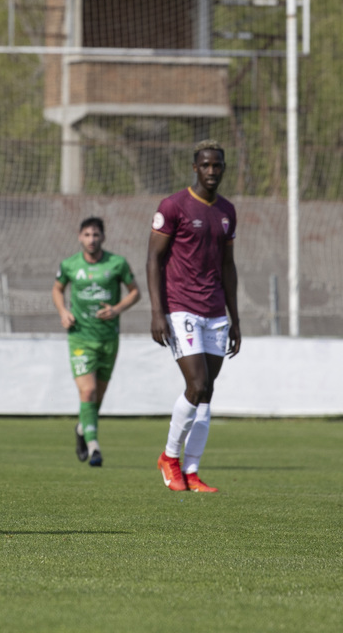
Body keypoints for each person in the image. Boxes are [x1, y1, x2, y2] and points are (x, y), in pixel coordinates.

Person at [147, 139, 240, 493]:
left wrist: (236, 319)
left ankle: (192, 470)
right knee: (196, 384)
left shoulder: (227, 211)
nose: (212, 171)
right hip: (181, 307)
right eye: (206, 165)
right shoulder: (173, 206)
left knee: (207, 392)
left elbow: (229, 267)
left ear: (223, 168)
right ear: (195, 167)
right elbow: (153, 260)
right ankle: (169, 457)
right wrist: (158, 312)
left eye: (218, 165)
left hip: (216, 312)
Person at [52, 216, 140, 468]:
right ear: (80, 237)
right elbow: (57, 289)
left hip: (108, 338)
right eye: (87, 235)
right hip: (80, 337)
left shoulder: (117, 263)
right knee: (87, 392)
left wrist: (116, 309)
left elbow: (135, 292)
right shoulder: (70, 265)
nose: (91, 240)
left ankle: (82, 429)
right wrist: (63, 312)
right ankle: (94, 447)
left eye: (96, 235)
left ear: (103, 237)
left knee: (96, 399)